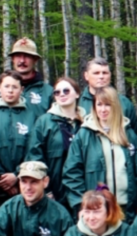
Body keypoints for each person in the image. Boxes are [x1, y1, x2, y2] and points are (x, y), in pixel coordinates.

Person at [62, 86, 137, 221]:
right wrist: (81, 205)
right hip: (96, 210)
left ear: (115, 106)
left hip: (127, 209)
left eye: (108, 104)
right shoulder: (84, 135)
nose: (103, 109)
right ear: (94, 106)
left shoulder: (128, 134)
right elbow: (71, 174)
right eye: (99, 104)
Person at [25, 77, 85, 208]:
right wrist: (45, 189)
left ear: (77, 93)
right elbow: (35, 157)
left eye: (66, 91)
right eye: (57, 92)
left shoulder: (87, 123)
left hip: (83, 192)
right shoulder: (44, 122)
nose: (61, 94)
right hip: (55, 192)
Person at [0, 70, 37, 203]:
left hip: (23, 184)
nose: (10, 91)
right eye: (6, 86)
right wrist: (3, 180)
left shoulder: (31, 115)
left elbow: (33, 149)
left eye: (14, 87)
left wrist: (17, 175)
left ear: (21, 90)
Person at [78, 57, 137, 134]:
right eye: (96, 73)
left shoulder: (124, 103)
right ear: (86, 76)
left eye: (105, 73)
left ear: (110, 75)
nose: (101, 76)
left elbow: (134, 133)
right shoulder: (78, 103)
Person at [9, 37, 52, 119]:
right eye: (18, 56)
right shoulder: (3, 90)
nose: (22, 60)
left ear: (35, 59)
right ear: (12, 59)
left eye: (27, 56)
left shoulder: (48, 92)